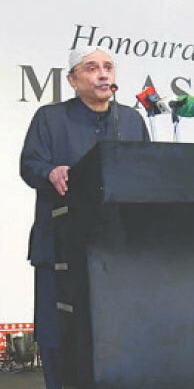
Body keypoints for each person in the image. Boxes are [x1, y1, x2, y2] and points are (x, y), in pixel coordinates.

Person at [20, 46, 149, 389]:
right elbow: (29, 165)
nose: (103, 74)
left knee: (115, 337)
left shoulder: (132, 121)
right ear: (73, 79)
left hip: (117, 253)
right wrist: (50, 173)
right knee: (60, 337)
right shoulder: (50, 118)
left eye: (108, 67)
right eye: (91, 68)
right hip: (60, 248)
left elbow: (149, 173)